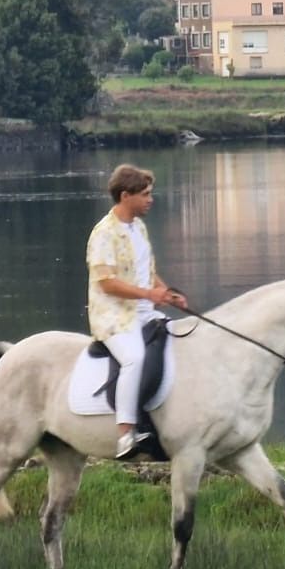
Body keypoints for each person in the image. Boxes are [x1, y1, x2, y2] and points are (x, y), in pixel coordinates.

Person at [86, 164, 189, 459]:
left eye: (150, 194)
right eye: (144, 195)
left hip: (145, 312)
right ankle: (126, 435)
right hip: (114, 317)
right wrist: (149, 294)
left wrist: (167, 294)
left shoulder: (139, 228)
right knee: (133, 359)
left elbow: (146, 272)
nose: (150, 199)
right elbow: (106, 283)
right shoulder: (104, 233)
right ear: (125, 195)